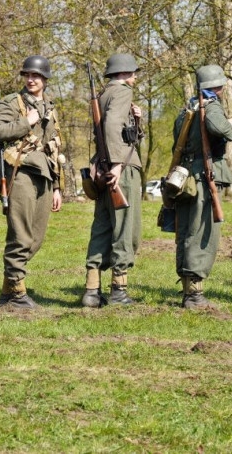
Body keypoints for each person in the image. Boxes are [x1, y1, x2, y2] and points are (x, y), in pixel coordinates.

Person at [0, 55, 64, 309]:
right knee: (20, 235)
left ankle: (7, 291)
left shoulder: (50, 107)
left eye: (36, 76)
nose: (31, 80)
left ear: (45, 79)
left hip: (44, 176)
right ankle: (17, 293)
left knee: (35, 238)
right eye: (28, 75)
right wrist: (25, 122)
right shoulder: (12, 102)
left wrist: (57, 187)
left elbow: (54, 148)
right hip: (19, 174)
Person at [171, 64, 232, 310]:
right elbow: (220, 128)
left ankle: (188, 289)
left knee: (187, 230)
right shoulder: (211, 106)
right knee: (202, 232)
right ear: (218, 86)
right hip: (203, 176)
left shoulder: (186, 110)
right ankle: (194, 295)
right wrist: (231, 126)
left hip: (186, 177)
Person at [81, 53, 144, 307]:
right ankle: (119, 290)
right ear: (125, 73)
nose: (135, 77)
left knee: (103, 227)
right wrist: (118, 165)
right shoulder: (122, 92)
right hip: (121, 169)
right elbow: (111, 126)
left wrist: (137, 120)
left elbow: (119, 130)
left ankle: (91, 291)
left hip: (104, 167)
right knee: (126, 229)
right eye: (133, 72)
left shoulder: (104, 94)